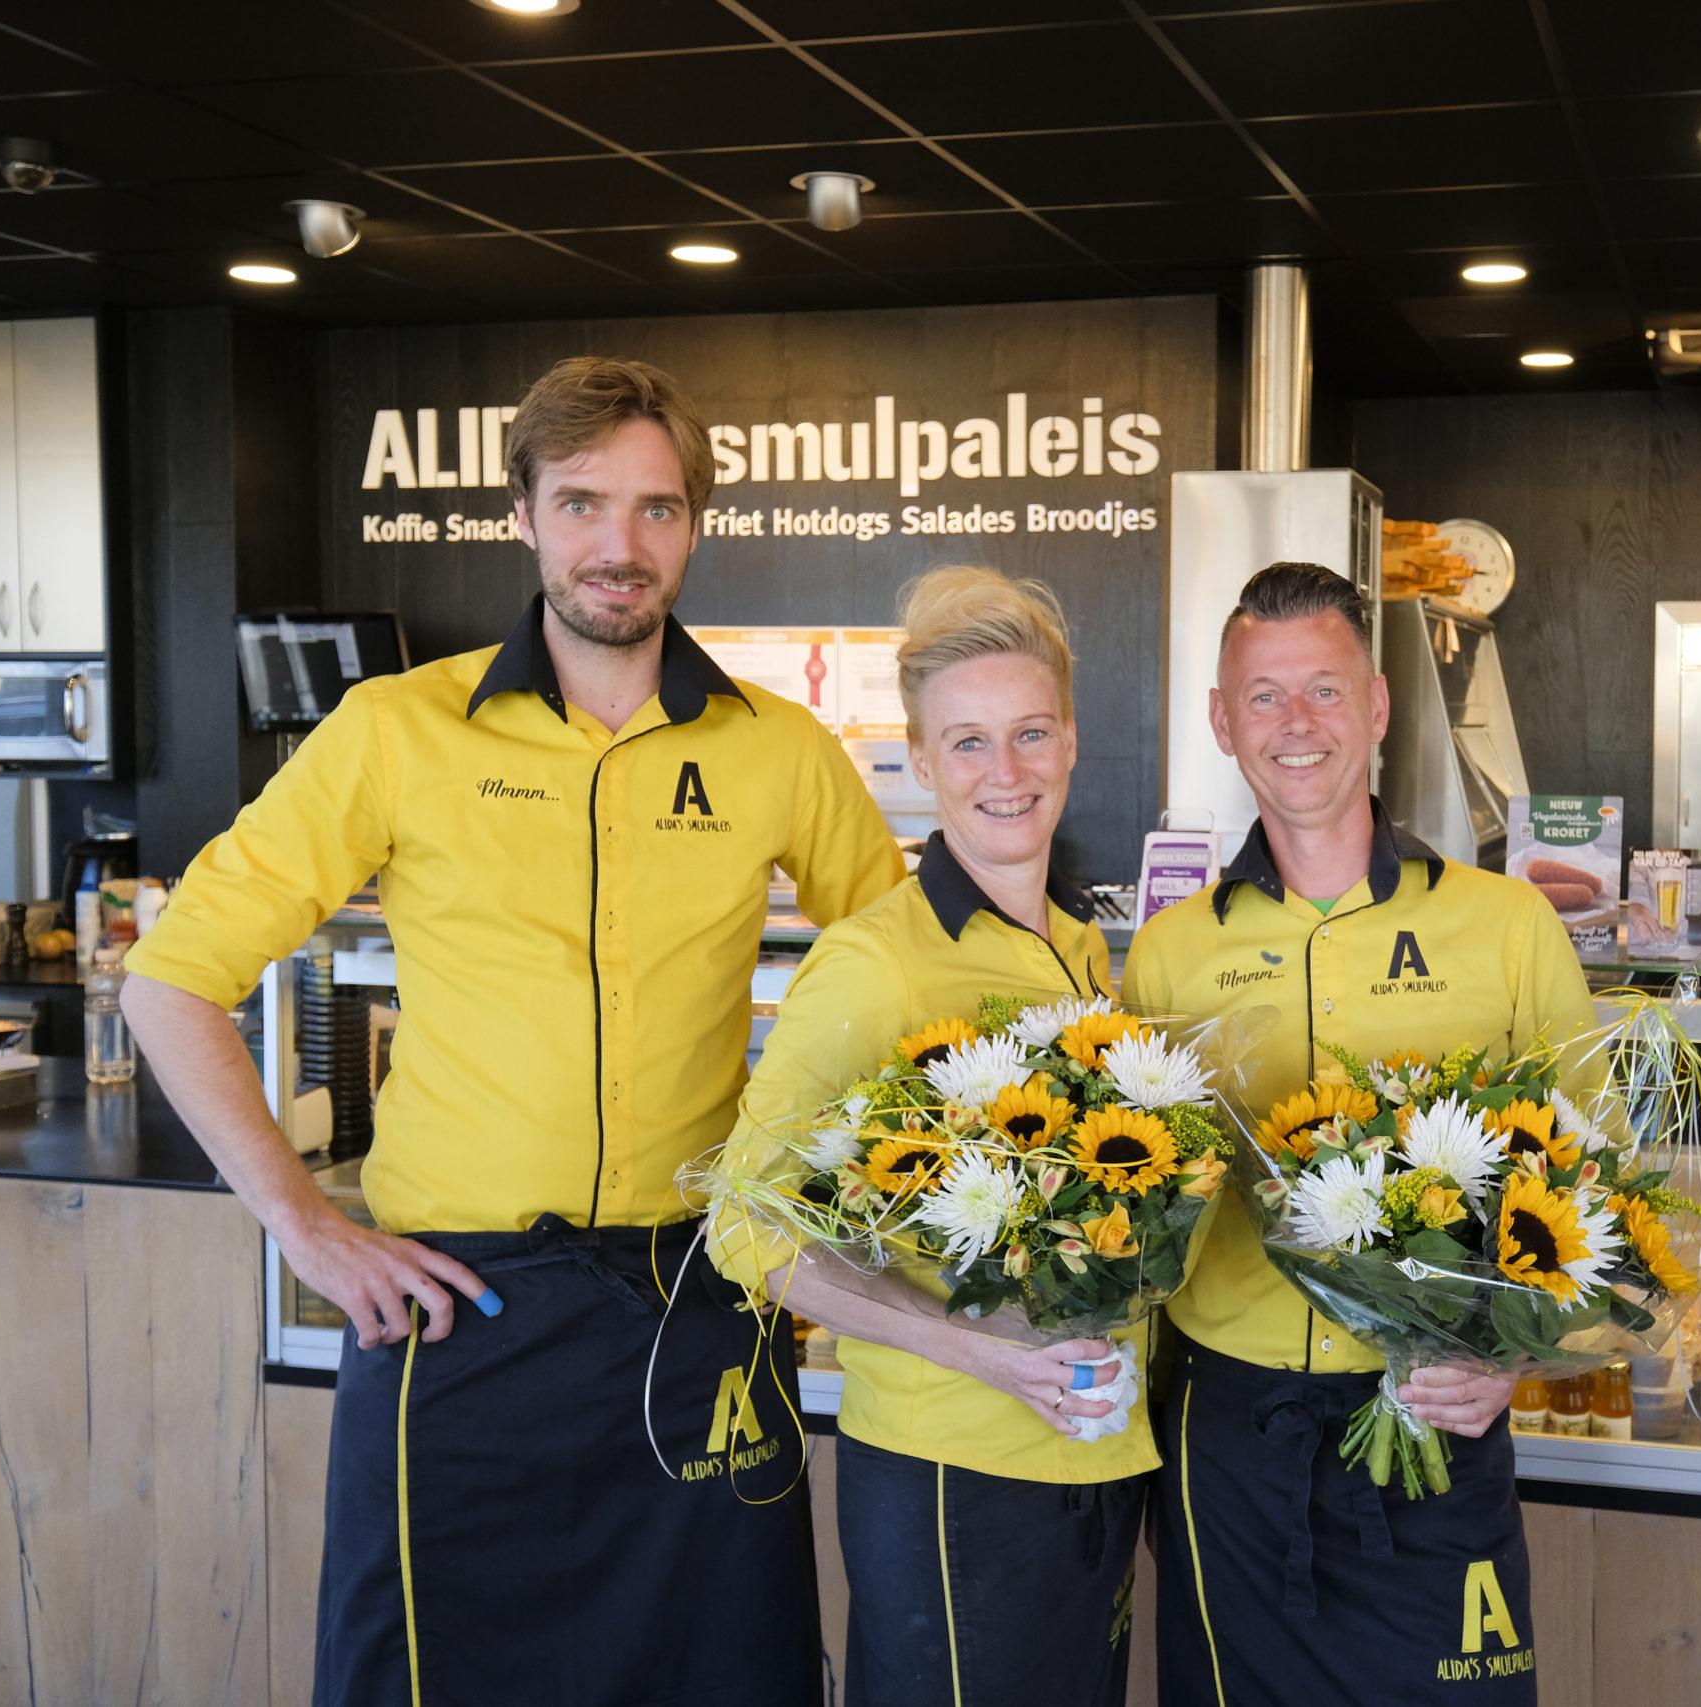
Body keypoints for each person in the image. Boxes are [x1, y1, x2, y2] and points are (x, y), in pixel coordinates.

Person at [122, 357, 906, 1707]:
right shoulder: (394, 729)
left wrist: (837, 1190)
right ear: (528, 517)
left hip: (699, 1299)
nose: (621, 543)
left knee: (724, 1676)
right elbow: (170, 978)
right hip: (456, 1308)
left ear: (694, 527)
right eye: (585, 503)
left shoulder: (781, 748)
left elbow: (905, 981)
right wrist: (307, 1223)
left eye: (657, 509)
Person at [1126, 562, 1595, 1704]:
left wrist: (1513, 1358)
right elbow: (1137, 1213)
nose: (1298, 726)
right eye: (1266, 695)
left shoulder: (1506, 923)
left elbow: (1597, 1180)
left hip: (1435, 1416)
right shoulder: (1168, 951)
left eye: (1326, 691)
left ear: (1378, 707)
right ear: (1222, 721)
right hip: (1231, 1440)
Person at [703, 566, 1152, 1707]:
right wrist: (985, 1354)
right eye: (967, 743)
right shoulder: (874, 961)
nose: (1004, 773)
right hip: (951, 1475)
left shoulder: (1078, 947)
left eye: (1029, 733)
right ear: (915, 759)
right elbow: (743, 1225)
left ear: (1069, 741)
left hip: (1090, 1458)